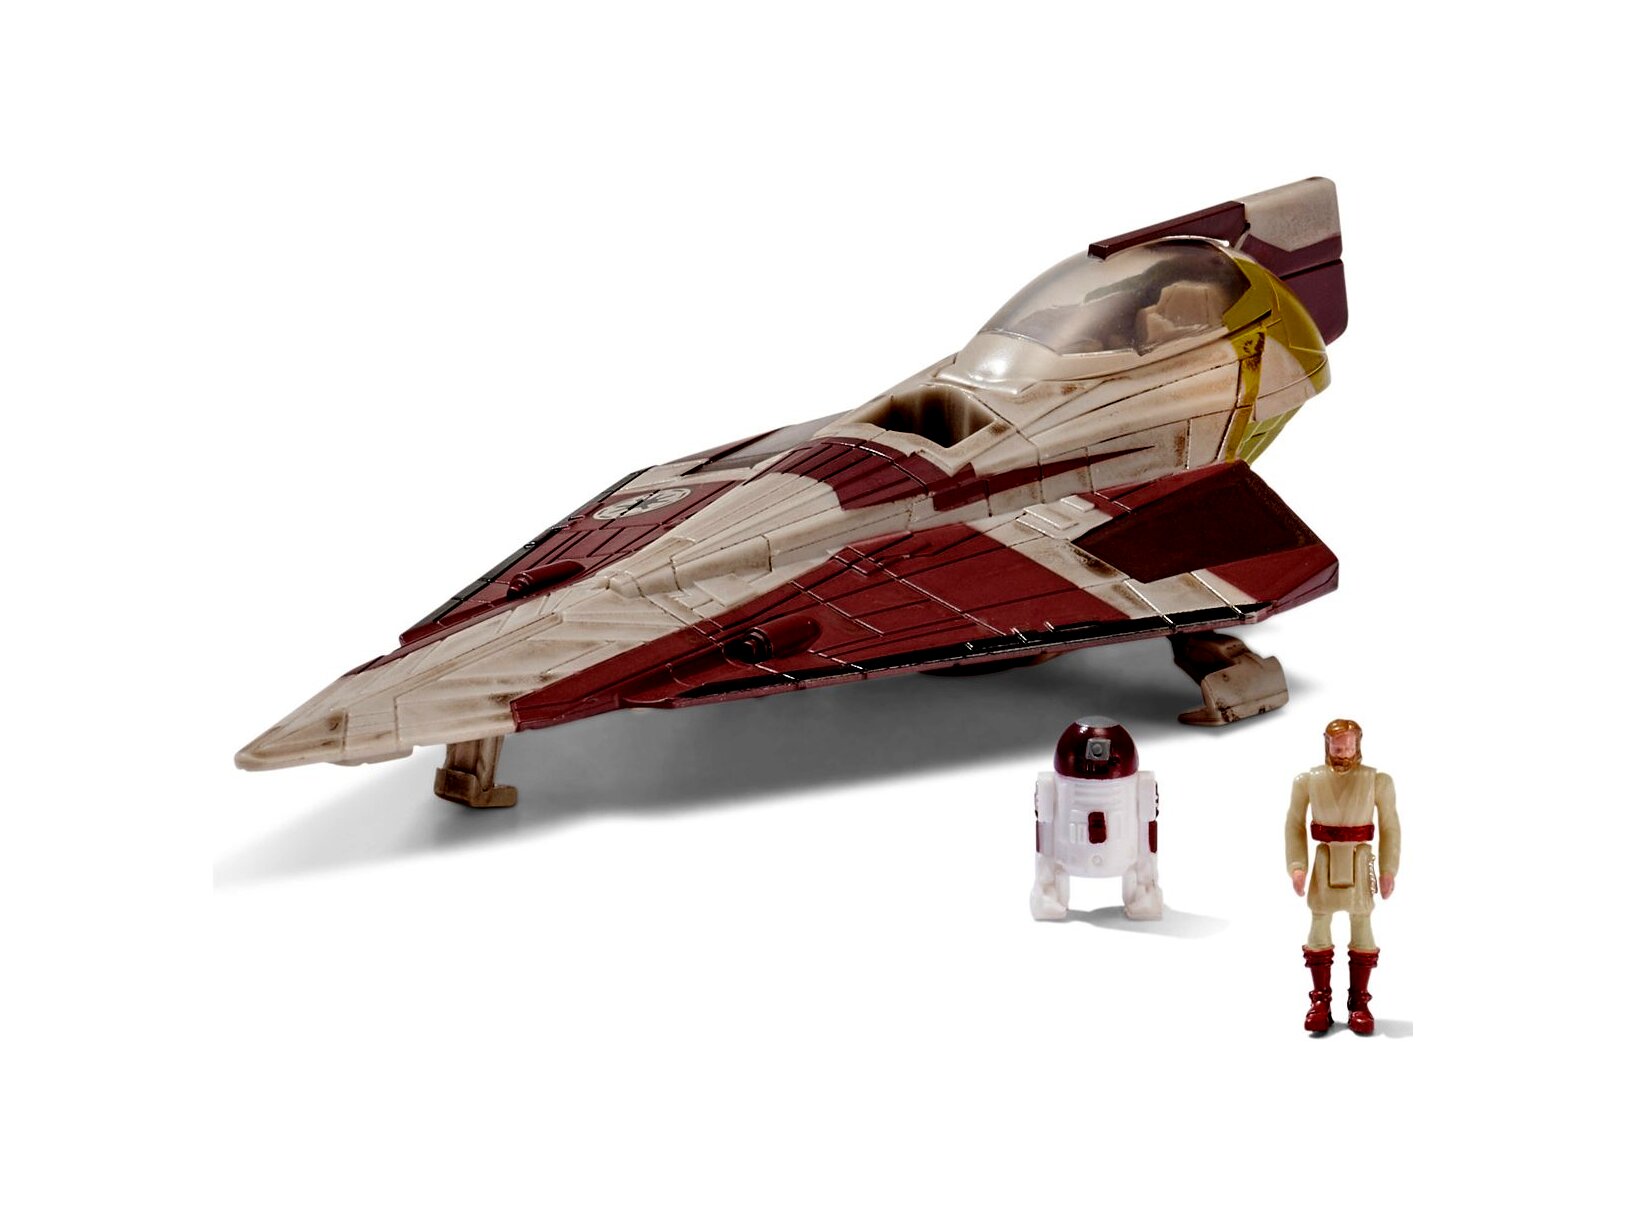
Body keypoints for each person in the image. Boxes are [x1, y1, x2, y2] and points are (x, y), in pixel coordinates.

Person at [1284, 719, 1400, 1035]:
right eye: (1337, 746)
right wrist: (1297, 865)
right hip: (1324, 859)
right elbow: (1294, 824)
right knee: (1318, 925)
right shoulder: (1308, 781)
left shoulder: (1377, 781)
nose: (1343, 751)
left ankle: (1359, 1002)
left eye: (1349, 745)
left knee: (1362, 925)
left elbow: (1390, 826)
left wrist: (1388, 869)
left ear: (1358, 744)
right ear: (1327, 744)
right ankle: (1320, 1001)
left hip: (1359, 860)